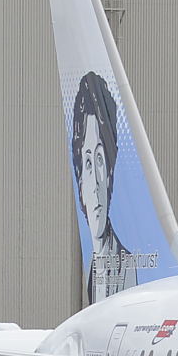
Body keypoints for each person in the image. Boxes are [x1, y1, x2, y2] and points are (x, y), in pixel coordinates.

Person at [71, 71, 135, 302]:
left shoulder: (127, 266)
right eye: (88, 163)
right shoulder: (94, 268)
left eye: (100, 160)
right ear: (79, 182)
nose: (96, 182)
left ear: (110, 173)